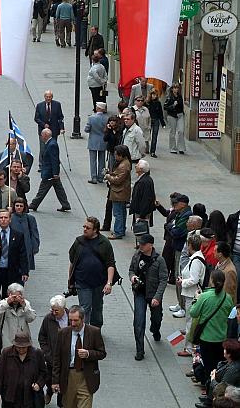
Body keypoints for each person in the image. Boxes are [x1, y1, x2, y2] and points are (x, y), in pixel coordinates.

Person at [51, 306, 106, 408]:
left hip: (86, 376)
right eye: (70, 320)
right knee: (69, 405)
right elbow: (57, 359)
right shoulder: (63, 333)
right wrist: (55, 381)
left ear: (83, 319)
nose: (73, 324)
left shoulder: (94, 332)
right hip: (68, 376)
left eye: (76, 320)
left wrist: (88, 354)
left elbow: (102, 353)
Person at [68, 217, 116, 329]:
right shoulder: (78, 242)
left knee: (97, 308)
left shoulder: (104, 243)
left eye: (88, 228)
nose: (84, 229)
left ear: (95, 230)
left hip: (99, 283)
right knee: (85, 308)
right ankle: (84, 332)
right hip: (82, 282)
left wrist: (109, 283)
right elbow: (72, 262)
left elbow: (110, 264)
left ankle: (96, 330)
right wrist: (70, 280)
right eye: (84, 227)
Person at [127, 233, 167, 361]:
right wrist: (132, 277)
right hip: (139, 293)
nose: (141, 246)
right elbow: (131, 270)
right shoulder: (137, 256)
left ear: (151, 245)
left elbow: (163, 280)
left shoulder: (159, 260)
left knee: (156, 317)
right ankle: (140, 350)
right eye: (140, 243)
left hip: (153, 295)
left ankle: (155, 330)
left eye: (143, 244)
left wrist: (157, 297)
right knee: (138, 321)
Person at [190, 270, 235, 379]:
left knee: (208, 365)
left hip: (207, 337)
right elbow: (230, 314)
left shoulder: (205, 296)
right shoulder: (227, 298)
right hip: (221, 337)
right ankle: (216, 385)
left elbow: (193, 313)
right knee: (218, 364)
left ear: (211, 281)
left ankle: (208, 387)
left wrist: (196, 298)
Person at [0, 332, 47, 408]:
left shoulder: (37, 354)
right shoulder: (6, 353)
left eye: (23, 347)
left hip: (30, 396)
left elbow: (43, 373)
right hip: (10, 396)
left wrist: (39, 384)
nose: (21, 349)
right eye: (18, 347)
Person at [28, 129, 71, 213]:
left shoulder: (52, 145)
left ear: (45, 135)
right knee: (59, 189)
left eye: (42, 135)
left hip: (49, 173)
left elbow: (54, 160)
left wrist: (55, 173)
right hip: (52, 172)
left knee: (42, 189)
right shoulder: (50, 143)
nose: (41, 137)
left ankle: (34, 204)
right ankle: (65, 204)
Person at [37, 295, 68, 406]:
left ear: (64, 308)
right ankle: (49, 392)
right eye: (52, 310)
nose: (54, 313)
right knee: (49, 379)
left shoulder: (71, 318)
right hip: (51, 358)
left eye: (56, 311)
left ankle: (61, 402)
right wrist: (46, 353)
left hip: (67, 358)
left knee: (63, 381)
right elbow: (42, 337)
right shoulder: (48, 319)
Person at [0, 283, 37, 349]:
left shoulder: (26, 304)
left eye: (18, 296)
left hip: (22, 340)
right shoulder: (3, 303)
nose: (15, 299)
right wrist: (6, 304)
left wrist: (24, 306)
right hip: (6, 340)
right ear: (9, 295)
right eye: (14, 296)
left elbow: (31, 318)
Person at [104, 145, 132, 240]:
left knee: (118, 213)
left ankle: (118, 231)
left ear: (121, 155)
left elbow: (118, 180)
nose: (115, 156)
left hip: (119, 192)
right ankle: (121, 229)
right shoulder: (124, 163)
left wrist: (108, 176)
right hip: (121, 191)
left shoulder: (124, 166)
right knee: (121, 211)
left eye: (116, 154)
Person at [33, 91, 64, 167]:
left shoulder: (57, 105)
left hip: (54, 130)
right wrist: (43, 125)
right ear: (44, 97)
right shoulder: (39, 106)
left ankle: (54, 163)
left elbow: (60, 117)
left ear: (52, 97)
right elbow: (36, 118)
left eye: (50, 97)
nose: (48, 98)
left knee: (53, 147)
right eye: (47, 97)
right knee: (43, 148)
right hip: (43, 132)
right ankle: (41, 164)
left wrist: (61, 128)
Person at [84, 102, 109, 184]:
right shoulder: (106, 118)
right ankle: (101, 177)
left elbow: (87, 129)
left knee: (93, 160)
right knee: (102, 160)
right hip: (103, 141)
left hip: (93, 141)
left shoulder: (91, 118)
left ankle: (94, 177)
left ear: (97, 108)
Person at [129, 160, 156, 227]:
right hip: (142, 210)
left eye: (137, 165)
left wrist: (142, 215)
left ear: (141, 169)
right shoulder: (146, 179)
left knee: (141, 231)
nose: (135, 166)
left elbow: (146, 199)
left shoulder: (144, 182)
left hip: (141, 212)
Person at [164, 83, 186, 154]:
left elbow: (182, 106)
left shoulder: (180, 96)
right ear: (172, 89)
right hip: (172, 116)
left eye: (177, 88)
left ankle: (181, 148)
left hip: (180, 115)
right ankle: (173, 148)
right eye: (175, 88)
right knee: (172, 132)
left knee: (181, 131)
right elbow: (165, 107)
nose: (176, 89)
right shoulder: (169, 97)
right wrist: (173, 105)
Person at [146, 89, 166, 158]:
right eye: (153, 94)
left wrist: (163, 123)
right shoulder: (147, 103)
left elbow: (160, 114)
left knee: (155, 136)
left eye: (155, 95)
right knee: (147, 135)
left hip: (156, 120)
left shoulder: (158, 103)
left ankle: (153, 151)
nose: (154, 96)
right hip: (149, 120)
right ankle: (146, 148)